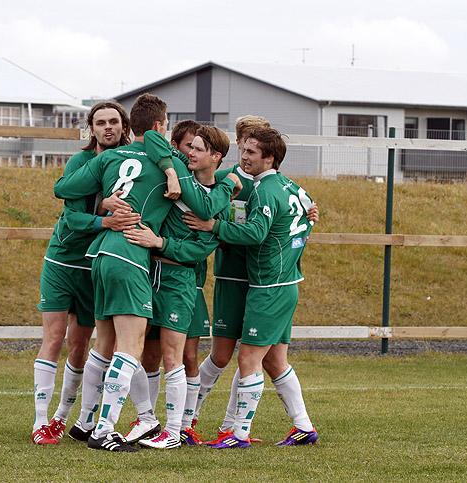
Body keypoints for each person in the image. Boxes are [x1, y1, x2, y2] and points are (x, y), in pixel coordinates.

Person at [53, 93, 241, 452]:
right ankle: (105, 430)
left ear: (130, 126)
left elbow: (63, 188)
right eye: (166, 125)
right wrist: (227, 184)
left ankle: (85, 422)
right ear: (159, 127)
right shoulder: (168, 164)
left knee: (104, 344)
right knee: (131, 348)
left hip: (100, 254)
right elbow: (204, 205)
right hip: (130, 257)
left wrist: (104, 200)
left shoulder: (108, 156)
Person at [185, 116, 318, 444]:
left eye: (251, 147)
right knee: (226, 355)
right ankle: (190, 420)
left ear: (267, 153)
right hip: (235, 277)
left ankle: (234, 429)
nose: (244, 153)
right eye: (242, 144)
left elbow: (282, 226)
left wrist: (307, 221)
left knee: (259, 358)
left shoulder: (272, 187)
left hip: (266, 282)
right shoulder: (225, 180)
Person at [31, 101, 139, 445]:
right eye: (100, 122)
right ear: (90, 129)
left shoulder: (134, 163)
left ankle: (64, 417)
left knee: (80, 347)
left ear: (124, 126)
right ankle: (40, 422)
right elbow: (73, 218)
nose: (108, 127)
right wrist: (103, 215)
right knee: (54, 338)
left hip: (98, 263)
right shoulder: (80, 163)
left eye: (114, 121)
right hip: (63, 261)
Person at [122, 125, 232, 449]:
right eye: (191, 147)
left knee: (175, 356)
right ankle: (147, 421)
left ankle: (175, 431)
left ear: (216, 157)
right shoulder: (181, 171)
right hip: (148, 274)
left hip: (179, 281)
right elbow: (152, 136)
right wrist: (171, 170)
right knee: (142, 353)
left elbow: (199, 250)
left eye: (199, 149)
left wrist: (161, 241)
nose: (191, 153)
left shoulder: (217, 204)